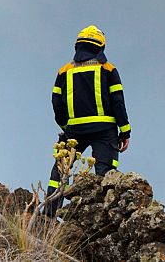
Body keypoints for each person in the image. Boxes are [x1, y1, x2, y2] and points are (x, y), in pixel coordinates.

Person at [45, 25, 131, 216]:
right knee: (105, 175)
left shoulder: (64, 71)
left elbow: (56, 103)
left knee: (60, 171)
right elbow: (118, 102)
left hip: (74, 131)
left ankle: (48, 216)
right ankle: (100, 217)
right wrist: (125, 131)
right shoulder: (108, 69)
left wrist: (66, 126)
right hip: (105, 131)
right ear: (100, 47)